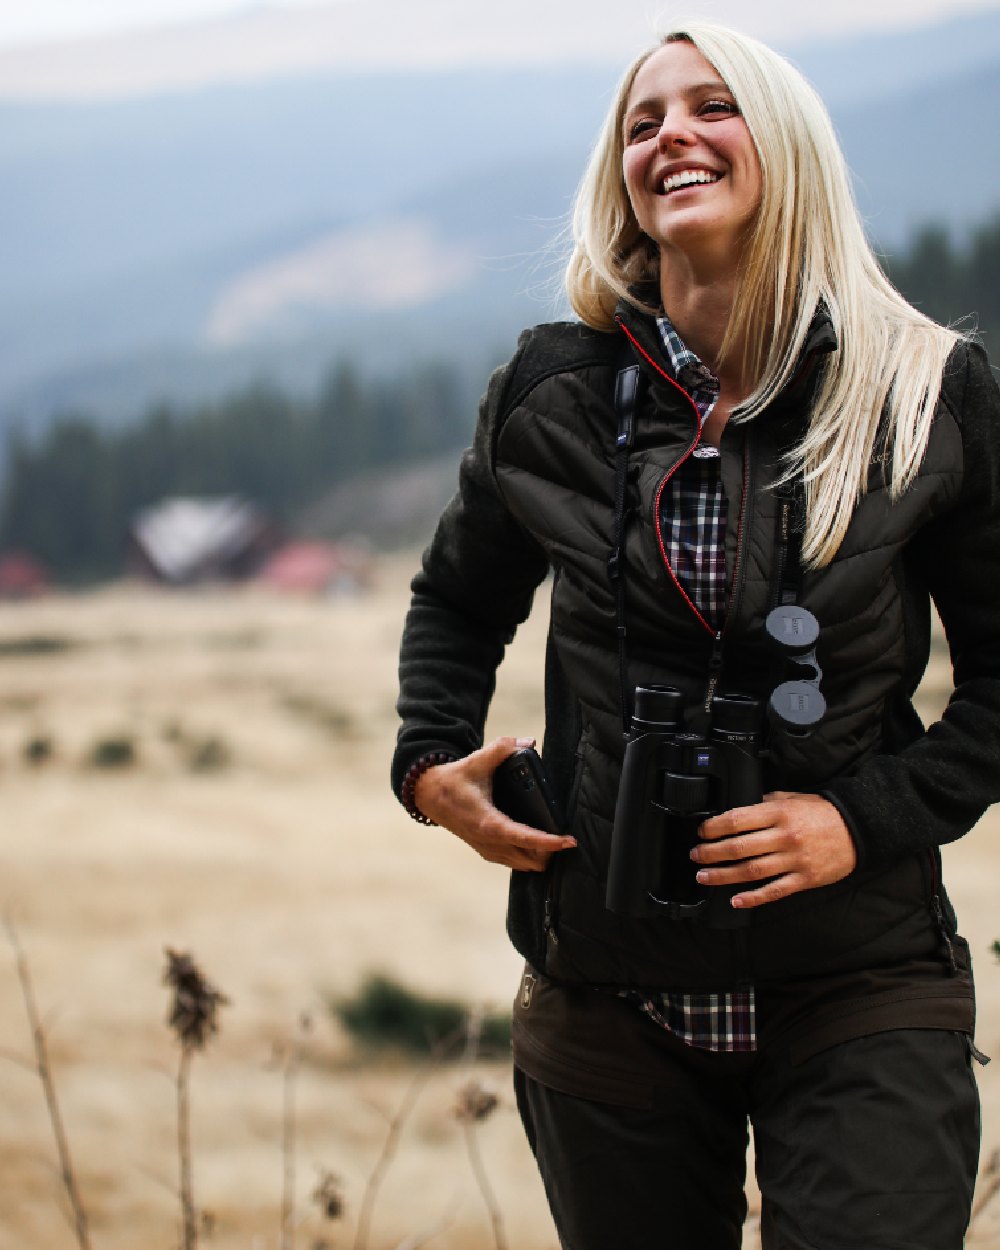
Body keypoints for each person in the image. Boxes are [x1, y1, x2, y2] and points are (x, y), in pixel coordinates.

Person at [392, 21, 999, 1250]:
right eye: (641, 120)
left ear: (785, 145)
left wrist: (859, 819)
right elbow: (457, 599)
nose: (671, 134)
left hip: (858, 977)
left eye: (712, 106)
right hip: (605, 986)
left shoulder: (921, 391)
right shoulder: (549, 390)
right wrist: (427, 762)